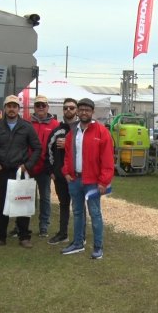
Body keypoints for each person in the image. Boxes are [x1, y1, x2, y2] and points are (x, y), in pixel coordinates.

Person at [61, 98, 114, 259]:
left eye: (87, 110)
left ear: (93, 112)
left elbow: (107, 159)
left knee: (95, 213)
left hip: (93, 182)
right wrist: (66, 172)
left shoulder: (101, 132)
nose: (84, 112)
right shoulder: (73, 132)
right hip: (75, 179)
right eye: (81, 109)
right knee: (77, 212)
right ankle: (78, 243)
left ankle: (98, 247)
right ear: (77, 111)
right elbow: (68, 154)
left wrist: (104, 181)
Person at [0, 95, 41, 249]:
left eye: (14, 106)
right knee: (1, 204)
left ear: (19, 108)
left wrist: (28, 165)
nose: (11, 109)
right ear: (4, 108)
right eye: (9, 106)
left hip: (21, 171)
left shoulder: (27, 127)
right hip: (2, 171)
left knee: (22, 202)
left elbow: (37, 148)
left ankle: (24, 237)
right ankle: (0, 237)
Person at [45, 98, 79, 245]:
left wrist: (69, 144)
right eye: (66, 108)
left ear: (76, 110)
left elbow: (87, 150)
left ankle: (80, 234)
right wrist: (52, 172)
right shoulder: (56, 131)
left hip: (78, 176)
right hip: (60, 176)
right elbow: (48, 152)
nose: (69, 110)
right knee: (64, 204)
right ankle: (63, 233)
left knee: (78, 206)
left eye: (72, 108)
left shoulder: (81, 130)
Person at [29, 95, 59, 237]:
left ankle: (44, 226)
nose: (40, 107)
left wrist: (53, 167)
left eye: (43, 105)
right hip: (28, 166)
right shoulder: (27, 123)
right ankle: (22, 226)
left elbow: (57, 148)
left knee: (45, 198)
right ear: (34, 107)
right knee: (25, 196)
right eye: (38, 105)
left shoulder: (55, 125)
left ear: (48, 107)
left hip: (44, 167)